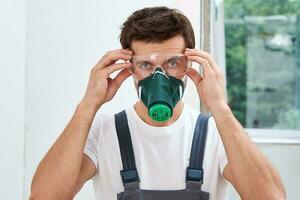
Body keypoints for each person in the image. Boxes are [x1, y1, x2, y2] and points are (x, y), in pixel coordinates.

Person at [29, 6, 286, 200]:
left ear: (190, 64)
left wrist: (220, 107)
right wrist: (88, 104)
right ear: (129, 68)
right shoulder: (103, 132)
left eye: (173, 63)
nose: (159, 78)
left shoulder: (216, 134)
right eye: (146, 65)